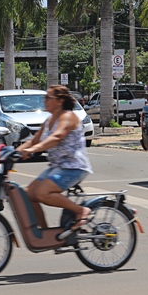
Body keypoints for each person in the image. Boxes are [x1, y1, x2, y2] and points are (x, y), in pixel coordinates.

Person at [18, 85, 93, 231]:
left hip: (73, 167)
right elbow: (33, 140)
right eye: (44, 98)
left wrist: (33, 150)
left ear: (60, 101)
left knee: (42, 193)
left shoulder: (68, 116)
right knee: (28, 195)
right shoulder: (49, 120)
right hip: (57, 167)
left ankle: (80, 211)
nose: (44, 101)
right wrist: (12, 152)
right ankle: (45, 233)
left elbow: (57, 137)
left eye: (48, 98)